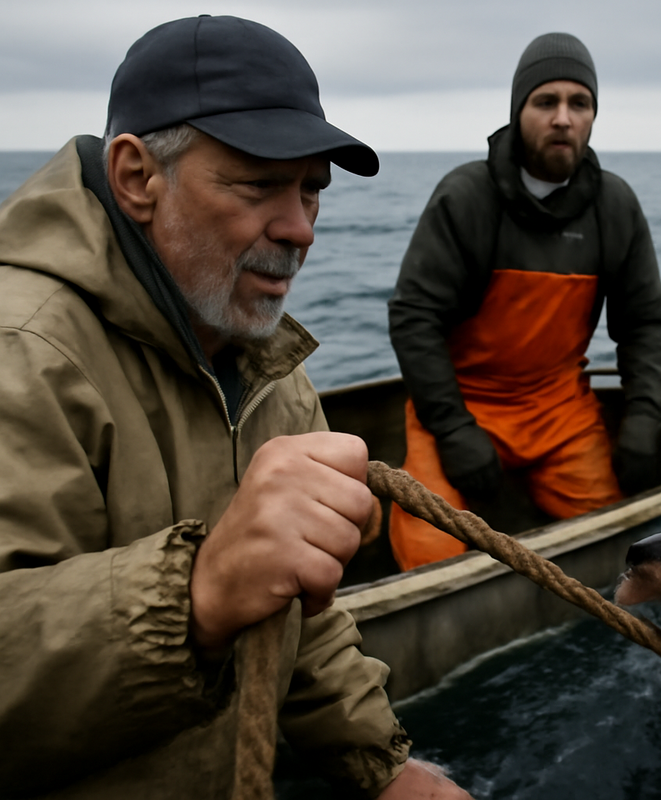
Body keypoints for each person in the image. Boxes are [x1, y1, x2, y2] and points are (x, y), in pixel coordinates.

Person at [0, 16, 471, 799]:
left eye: (311, 189)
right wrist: (199, 592)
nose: (299, 229)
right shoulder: (23, 351)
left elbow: (300, 616)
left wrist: (381, 765)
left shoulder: (267, 366)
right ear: (136, 177)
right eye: (258, 184)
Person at [388, 32, 661, 570]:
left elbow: (643, 325)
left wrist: (642, 421)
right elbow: (413, 319)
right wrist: (454, 431)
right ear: (520, 112)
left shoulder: (617, 206)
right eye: (546, 102)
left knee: (613, 555)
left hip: (558, 409)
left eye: (579, 103)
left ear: (592, 116)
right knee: (428, 556)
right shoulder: (465, 196)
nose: (563, 118)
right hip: (460, 402)